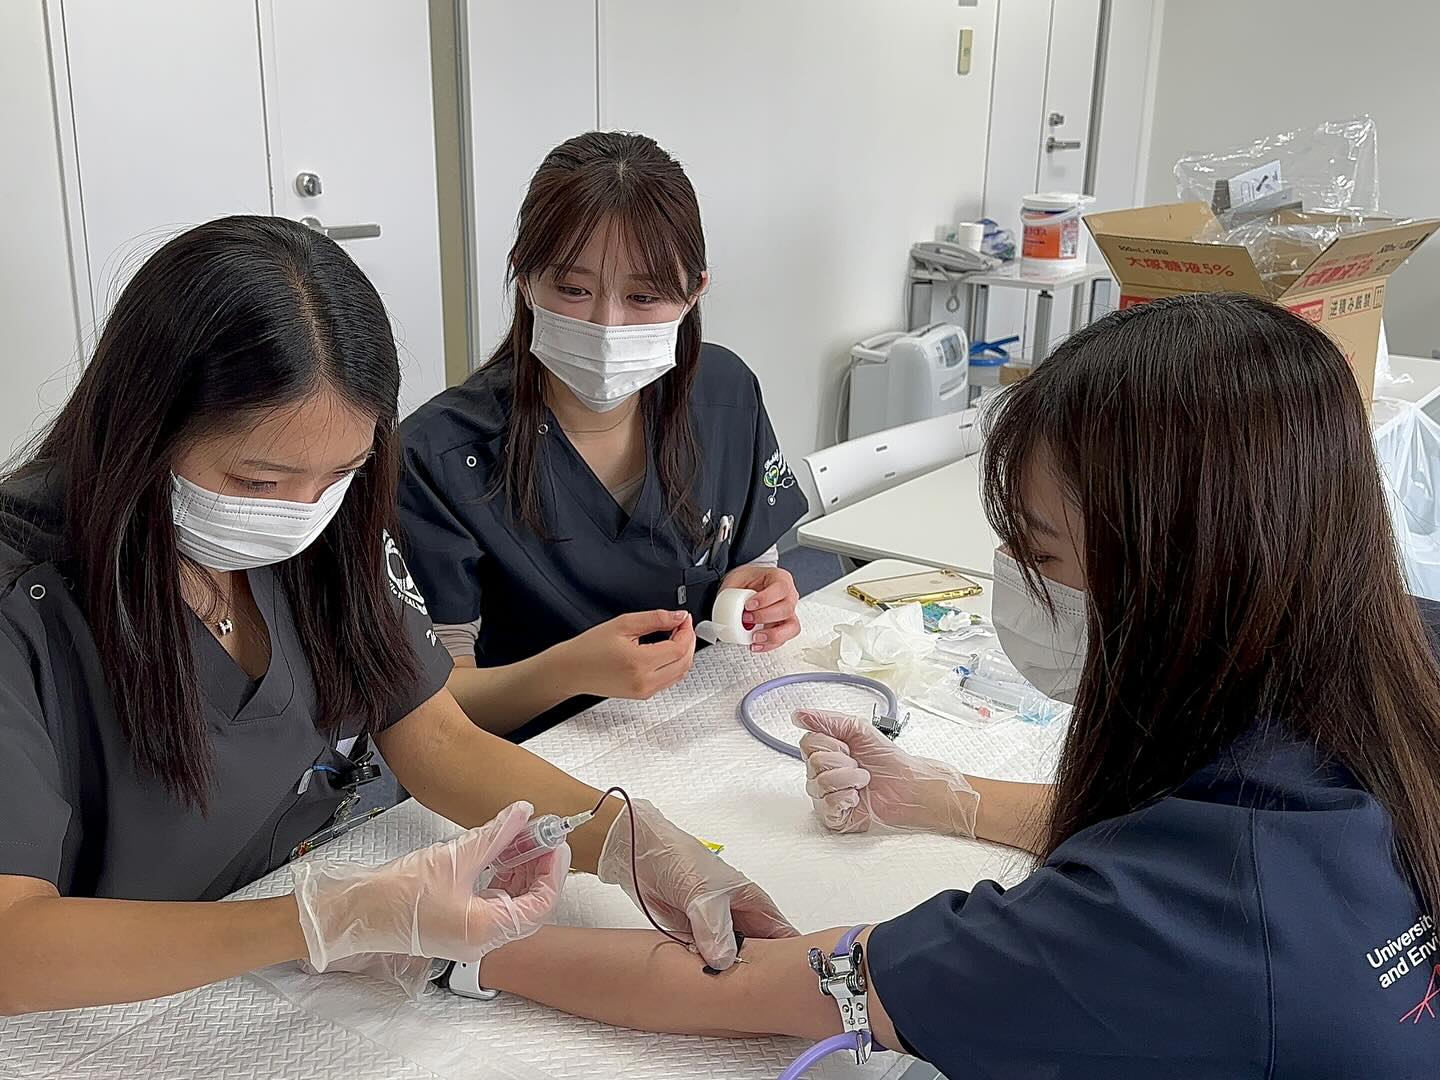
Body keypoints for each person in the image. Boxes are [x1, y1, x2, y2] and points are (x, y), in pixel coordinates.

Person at [444, 294, 1440, 1077]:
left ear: (1181, 579)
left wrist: (452, 944)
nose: (1014, 575)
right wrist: (940, 797)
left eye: (1038, 549)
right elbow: (1192, 830)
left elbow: (745, 985)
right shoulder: (1389, 685)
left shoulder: (1135, 932)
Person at [0, 216, 794, 1018]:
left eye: (340, 472)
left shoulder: (328, 524)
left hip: (316, 911)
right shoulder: (24, 604)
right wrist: (321, 920)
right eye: (257, 482)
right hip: (122, 984)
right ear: (142, 426)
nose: (300, 513)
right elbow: (11, 946)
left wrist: (625, 839)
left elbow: (433, 737)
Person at [399, 132, 808, 739]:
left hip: (693, 725)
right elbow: (436, 709)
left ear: (694, 291)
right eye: (573, 289)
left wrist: (758, 595)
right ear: (525, 278)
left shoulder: (725, 393)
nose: (607, 324)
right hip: (529, 757)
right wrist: (565, 673)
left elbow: (750, 559)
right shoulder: (441, 455)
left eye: (644, 296)